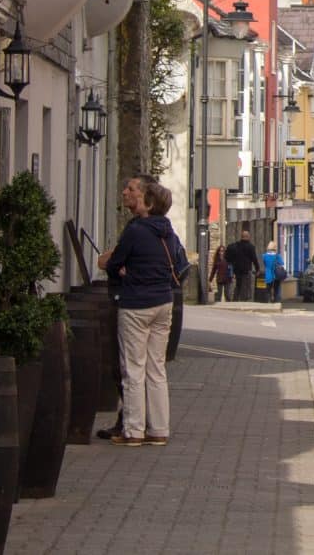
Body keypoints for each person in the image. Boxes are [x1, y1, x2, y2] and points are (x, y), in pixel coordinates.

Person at [100, 177, 188, 446]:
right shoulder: (168, 232)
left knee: (134, 369)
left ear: (148, 203)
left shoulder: (135, 230)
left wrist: (122, 270)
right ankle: (159, 429)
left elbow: (114, 264)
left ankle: (134, 430)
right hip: (164, 303)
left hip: (136, 304)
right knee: (156, 368)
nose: (128, 193)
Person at [226, 231, 259, 302]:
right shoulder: (250, 247)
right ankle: (243, 300)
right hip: (246, 270)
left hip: (237, 269)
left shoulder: (235, 246)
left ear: (241, 237)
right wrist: (257, 269)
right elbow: (254, 259)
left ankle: (235, 299)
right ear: (247, 237)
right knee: (245, 286)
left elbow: (228, 258)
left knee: (238, 285)